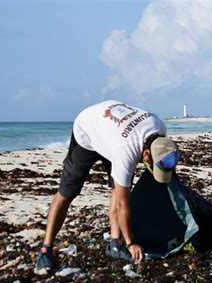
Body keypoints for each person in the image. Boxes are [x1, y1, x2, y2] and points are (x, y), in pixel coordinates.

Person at [36, 100, 181, 269]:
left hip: (113, 134)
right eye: (150, 164)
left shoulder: (160, 131)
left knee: (117, 189)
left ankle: (115, 243)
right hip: (88, 131)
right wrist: (132, 242)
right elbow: (122, 205)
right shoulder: (126, 151)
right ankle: (46, 248)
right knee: (68, 192)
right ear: (147, 153)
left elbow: (120, 194)